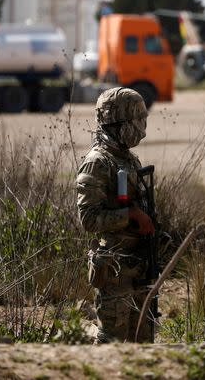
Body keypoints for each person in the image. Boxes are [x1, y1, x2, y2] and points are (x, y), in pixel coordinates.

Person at [76, 87, 158, 343]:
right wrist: (129, 215)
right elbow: (88, 219)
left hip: (139, 264)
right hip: (114, 268)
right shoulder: (98, 162)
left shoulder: (127, 158)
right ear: (118, 123)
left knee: (143, 341)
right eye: (137, 121)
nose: (142, 128)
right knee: (113, 343)